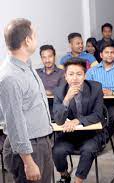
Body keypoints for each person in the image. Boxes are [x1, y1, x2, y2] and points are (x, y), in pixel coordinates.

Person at [0, 18, 53, 182]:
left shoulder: (26, 65)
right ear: (27, 40)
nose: (36, 39)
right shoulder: (10, 77)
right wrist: (28, 162)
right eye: (35, 35)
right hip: (29, 148)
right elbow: (15, 123)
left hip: (41, 142)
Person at [52, 58, 106, 183]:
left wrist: (77, 121)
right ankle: (65, 176)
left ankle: (78, 181)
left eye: (79, 74)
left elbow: (98, 115)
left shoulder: (96, 88)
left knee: (88, 150)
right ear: (65, 76)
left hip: (91, 134)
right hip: (68, 134)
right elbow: (59, 121)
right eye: (71, 74)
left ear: (85, 75)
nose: (74, 78)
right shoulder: (59, 92)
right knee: (57, 151)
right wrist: (67, 99)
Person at [86, 41, 114, 137]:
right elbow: (86, 88)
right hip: (96, 101)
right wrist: (97, 92)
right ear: (101, 55)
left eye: (112, 53)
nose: (110, 55)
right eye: (107, 52)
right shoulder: (92, 71)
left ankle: (102, 139)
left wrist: (113, 92)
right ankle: (96, 139)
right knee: (90, 118)